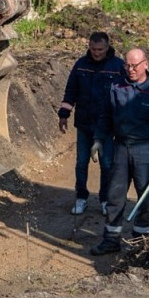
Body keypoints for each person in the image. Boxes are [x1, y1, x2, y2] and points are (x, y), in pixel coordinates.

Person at [90, 48, 149, 256]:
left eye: (135, 66)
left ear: (145, 64)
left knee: (145, 195)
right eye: (127, 65)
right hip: (120, 147)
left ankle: (141, 240)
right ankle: (111, 239)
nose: (130, 70)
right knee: (115, 195)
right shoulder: (116, 87)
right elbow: (106, 117)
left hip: (146, 149)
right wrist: (98, 140)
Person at [57, 31, 125, 216]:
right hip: (84, 124)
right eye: (93, 49)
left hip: (106, 128)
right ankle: (81, 198)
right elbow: (71, 90)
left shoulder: (118, 66)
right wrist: (64, 114)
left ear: (107, 46)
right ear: (89, 46)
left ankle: (104, 199)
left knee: (107, 164)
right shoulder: (81, 65)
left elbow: (125, 96)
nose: (96, 53)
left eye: (100, 49)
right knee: (81, 163)